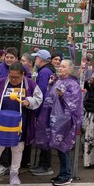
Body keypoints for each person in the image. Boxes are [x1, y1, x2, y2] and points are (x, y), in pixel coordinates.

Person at [0, 62, 43, 186]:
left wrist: (29, 101)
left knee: (17, 149)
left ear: (23, 75)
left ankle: (14, 173)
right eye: (11, 77)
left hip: (20, 124)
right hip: (1, 123)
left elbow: (39, 99)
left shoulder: (30, 84)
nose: (13, 80)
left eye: (16, 77)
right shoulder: (1, 83)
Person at [36, 59, 82, 186]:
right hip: (56, 120)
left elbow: (74, 102)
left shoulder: (72, 84)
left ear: (70, 69)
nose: (60, 68)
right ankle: (62, 173)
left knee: (64, 147)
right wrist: (50, 85)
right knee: (59, 147)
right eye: (60, 66)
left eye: (63, 67)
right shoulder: (59, 81)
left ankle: (66, 175)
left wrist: (63, 95)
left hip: (65, 121)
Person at [29, 48, 57, 176]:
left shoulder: (44, 72)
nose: (35, 60)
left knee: (44, 137)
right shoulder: (48, 70)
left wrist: (37, 112)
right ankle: (42, 163)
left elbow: (40, 92)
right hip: (48, 108)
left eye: (37, 58)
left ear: (41, 59)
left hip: (44, 109)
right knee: (44, 137)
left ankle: (45, 165)